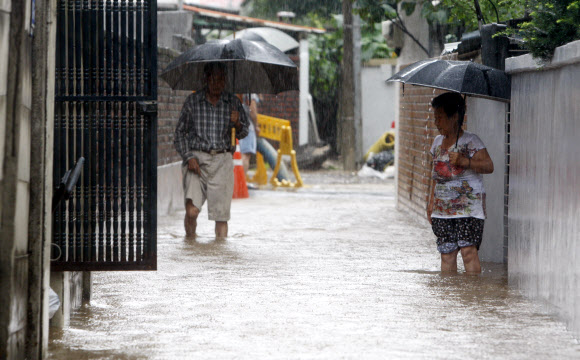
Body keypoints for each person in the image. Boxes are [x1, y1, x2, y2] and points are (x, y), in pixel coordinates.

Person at [174, 62, 249, 239]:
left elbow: (244, 132)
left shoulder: (232, 102)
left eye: (222, 80)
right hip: (196, 160)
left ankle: (219, 256)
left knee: (221, 217)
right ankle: (190, 243)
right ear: (206, 80)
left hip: (222, 160)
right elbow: (179, 134)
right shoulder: (193, 102)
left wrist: (237, 122)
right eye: (214, 79)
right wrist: (188, 156)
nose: (218, 84)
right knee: (192, 211)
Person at [426, 92, 494, 274]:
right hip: (442, 209)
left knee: (468, 252)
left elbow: (489, 166)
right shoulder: (437, 143)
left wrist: (466, 162)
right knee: (446, 253)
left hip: (468, 209)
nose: (436, 122)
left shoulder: (472, 141)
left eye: (440, 117)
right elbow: (434, 175)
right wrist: (431, 202)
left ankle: (472, 296)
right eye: (435, 117)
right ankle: (451, 297)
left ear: (455, 117)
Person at [237, 94, 260, 175]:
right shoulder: (251, 92)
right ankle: (241, 180)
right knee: (246, 155)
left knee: (238, 154)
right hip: (247, 126)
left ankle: (236, 180)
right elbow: (252, 110)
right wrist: (256, 125)